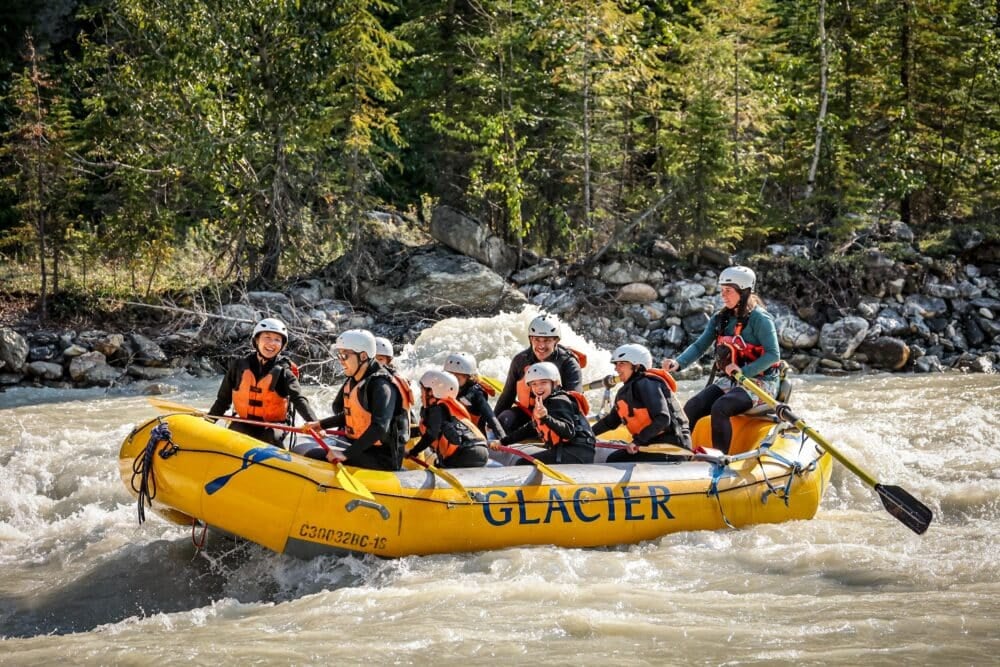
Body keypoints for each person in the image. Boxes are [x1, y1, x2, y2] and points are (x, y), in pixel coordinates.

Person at [662, 266, 780, 454]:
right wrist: (678, 363)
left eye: (728, 291)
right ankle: (680, 454)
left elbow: (773, 355)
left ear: (744, 292)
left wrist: (745, 372)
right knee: (692, 406)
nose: (723, 295)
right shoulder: (721, 318)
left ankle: (718, 459)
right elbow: (700, 346)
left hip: (760, 382)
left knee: (721, 407)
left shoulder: (761, 319)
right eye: (722, 290)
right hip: (732, 380)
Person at [302, 329, 407, 470]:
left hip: (383, 458)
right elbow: (353, 415)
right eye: (339, 355)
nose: (341, 361)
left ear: (363, 356)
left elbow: (380, 427)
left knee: (313, 455)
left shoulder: (381, 385)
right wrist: (321, 424)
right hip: (364, 448)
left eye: (345, 355)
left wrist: (346, 454)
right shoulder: (356, 380)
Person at [208, 317, 318, 448]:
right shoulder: (238, 367)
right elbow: (222, 401)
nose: (272, 343)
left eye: (277, 340)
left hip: (273, 426)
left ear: (282, 345)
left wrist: (315, 424)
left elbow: (299, 400)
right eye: (267, 337)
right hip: (244, 422)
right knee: (236, 432)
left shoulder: (284, 372)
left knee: (269, 437)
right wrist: (207, 422)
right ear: (256, 340)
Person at [592, 344, 691, 462]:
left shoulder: (647, 383)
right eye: (616, 364)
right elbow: (610, 422)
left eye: (621, 364)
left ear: (637, 366)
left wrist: (638, 441)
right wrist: (587, 434)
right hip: (651, 444)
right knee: (615, 458)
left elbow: (663, 418)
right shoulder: (625, 392)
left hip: (673, 447)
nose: (616, 369)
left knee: (615, 460)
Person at [493, 314, 585, 436]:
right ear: (530, 339)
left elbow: (573, 402)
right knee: (505, 418)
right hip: (528, 413)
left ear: (556, 340)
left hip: (558, 416)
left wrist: (548, 418)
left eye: (547, 340)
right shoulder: (520, 360)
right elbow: (507, 397)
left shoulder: (569, 363)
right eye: (536, 339)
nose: (541, 346)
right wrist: (491, 423)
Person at [491, 362, 595, 465]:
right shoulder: (546, 403)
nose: (538, 387)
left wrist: (546, 418)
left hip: (576, 453)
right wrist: (503, 442)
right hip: (568, 451)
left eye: (543, 382)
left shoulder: (559, 401)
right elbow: (530, 428)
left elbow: (568, 432)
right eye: (534, 384)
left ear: (554, 383)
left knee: (522, 463)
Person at [408, 370, 489, 468]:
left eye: (423, 391)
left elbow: (431, 435)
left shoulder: (437, 409)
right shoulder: (449, 408)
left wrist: (413, 452)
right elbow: (429, 430)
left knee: (440, 465)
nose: (421, 396)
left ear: (432, 392)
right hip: (482, 449)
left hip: (464, 453)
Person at [443, 352, 505, 440]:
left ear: (468, 377)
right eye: (450, 377)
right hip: (452, 433)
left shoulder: (475, 393)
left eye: (457, 378)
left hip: (475, 437)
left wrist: (503, 440)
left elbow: (491, 419)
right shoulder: (443, 388)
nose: (453, 382)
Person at [374, 335, 415, 430]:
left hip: (399, 433)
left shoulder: (389, 381)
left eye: (380, 359)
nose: (376, 363)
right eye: (373, 359)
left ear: (389, 361)